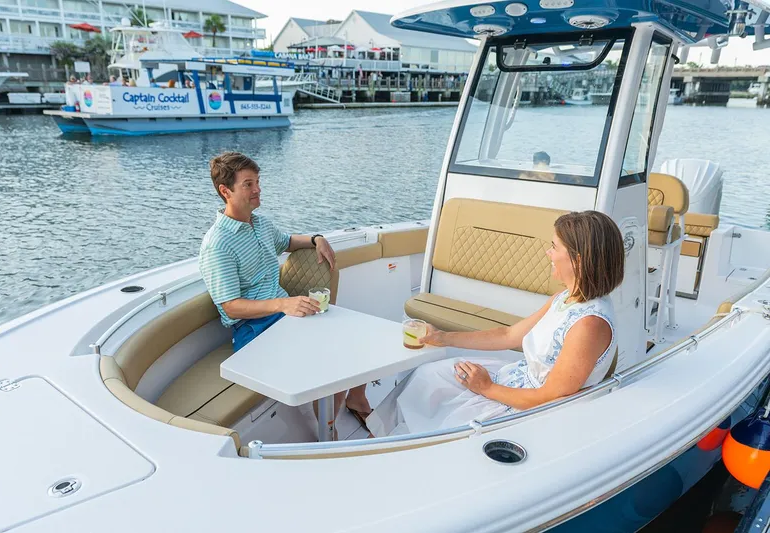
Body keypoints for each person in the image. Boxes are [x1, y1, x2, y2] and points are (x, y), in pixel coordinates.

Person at [366, 210, 624, 437]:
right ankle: (378, 440)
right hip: (515, 379)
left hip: (529, 408)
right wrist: (442, 337)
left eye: (554, 247)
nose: (548, 253)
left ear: (578, 260)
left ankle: (394, 453)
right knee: (426, 376)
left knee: (443, 424)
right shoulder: (565, 297)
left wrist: (487, 387)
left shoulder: (589, 324)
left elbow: (550, 398)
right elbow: (509, 335)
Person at [199, 152, 374, 428]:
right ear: (225, 191)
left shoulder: (261, 224)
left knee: (359, 335)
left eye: (257, 181)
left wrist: (317, 239)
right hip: (253, 329)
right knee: (336, 360)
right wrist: (283, 305)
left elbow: (288, 241)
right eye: (248, 184)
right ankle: (327, 431)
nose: (257, 189)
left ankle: (356, 398)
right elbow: (230, 306)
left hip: (286, 315)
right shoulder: (217, 244)